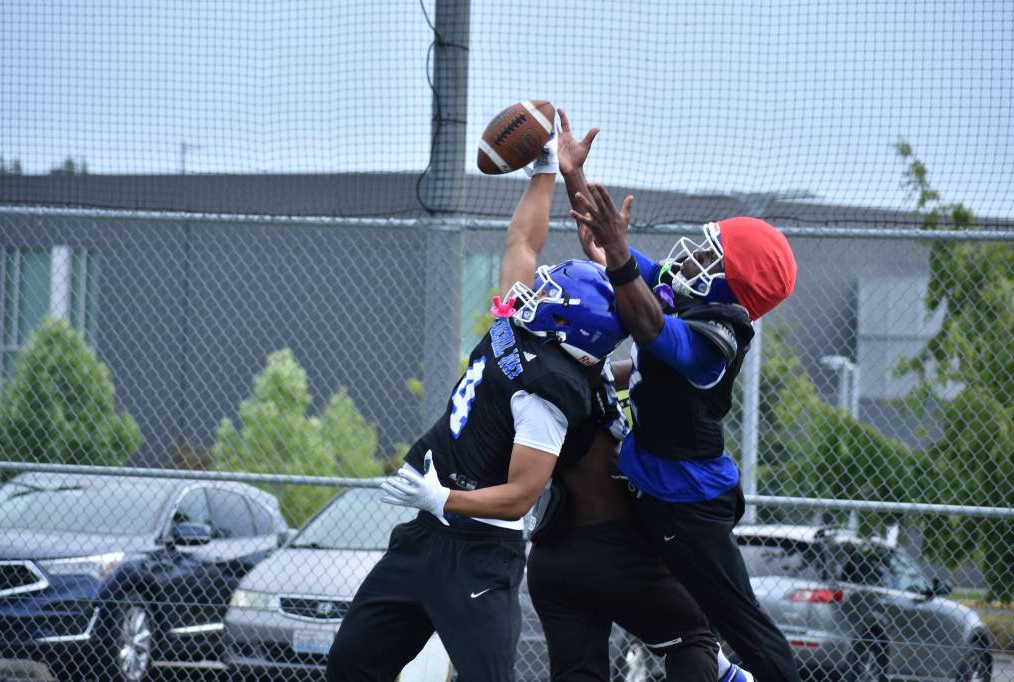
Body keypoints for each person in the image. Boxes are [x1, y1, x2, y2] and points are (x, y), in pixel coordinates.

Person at [325, 128, 627, 681]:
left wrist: (444, 497)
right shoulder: (522, 321)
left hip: (483, 549)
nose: (539, 289)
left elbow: (519, 497)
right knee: (350, 665)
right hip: (424, 537)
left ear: (569, 325)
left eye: (553, 293)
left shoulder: (550, 394)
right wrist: (543, 171)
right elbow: (522, 244)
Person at [524, 110, 753, 682]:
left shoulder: (542, 376)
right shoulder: (584, 380)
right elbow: (640, 311)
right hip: (614, 545)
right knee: (696, 636)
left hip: (551, 557)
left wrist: (566, 176)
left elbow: (593, 259)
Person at [568, 180, 801, 682]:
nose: (692, 253)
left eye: (708, 252)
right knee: (648, 595)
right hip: (650, 483)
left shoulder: (718, 336)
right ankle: (719, 672)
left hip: (686, 503)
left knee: (744, 625)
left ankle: (735, 671)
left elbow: (651, 327)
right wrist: (572, 175)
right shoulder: (689, 292)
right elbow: (633, 270)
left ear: (727, 281)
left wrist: (620, 253)